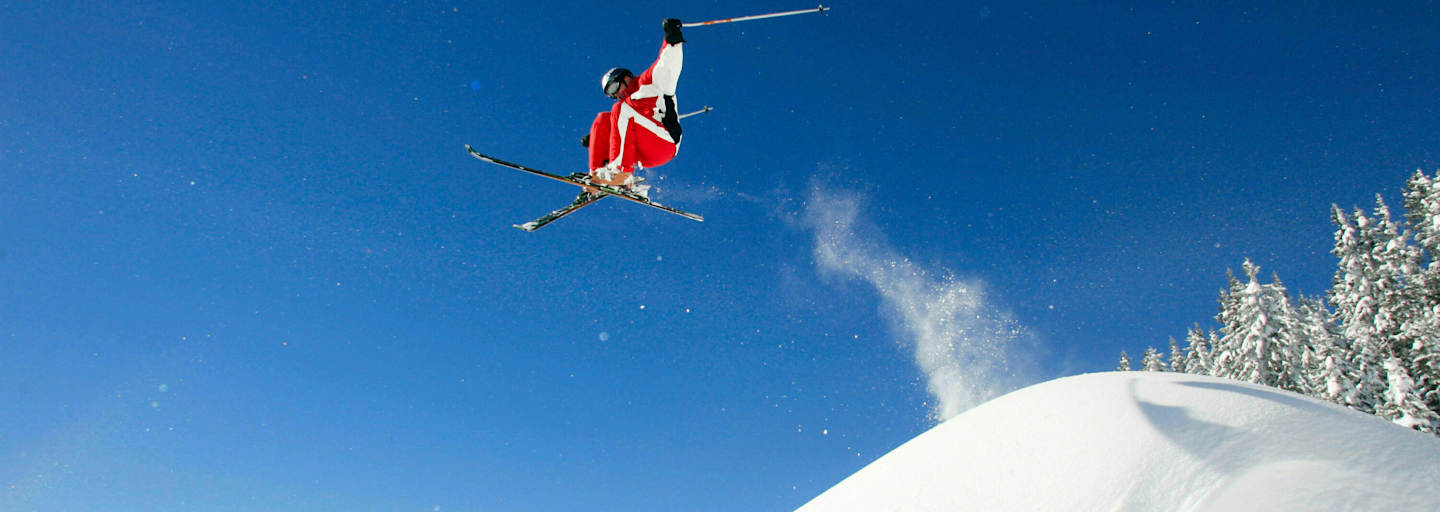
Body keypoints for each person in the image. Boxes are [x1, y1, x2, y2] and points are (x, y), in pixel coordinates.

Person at [578, 18, 686, 200]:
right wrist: (602, 138)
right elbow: (618, 126)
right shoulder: (624, 106)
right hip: (644, 152)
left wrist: (672, 40)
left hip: (665, 143)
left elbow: (667, 66)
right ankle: (598, 176)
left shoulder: (650, 83)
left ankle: (620, 172)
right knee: (603, 119)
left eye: (614, 88)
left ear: (625, 78)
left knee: (619, 110)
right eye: (611, 94)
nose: (616, 95)